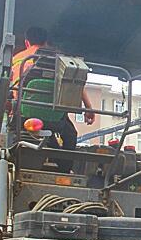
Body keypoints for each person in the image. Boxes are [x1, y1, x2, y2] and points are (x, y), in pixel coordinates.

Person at [10, 26, 95, 170]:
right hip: (55, 112)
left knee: (15, 131)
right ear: (46, 42)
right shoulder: (59, 59)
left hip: (24, 110)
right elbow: (75, 82)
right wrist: (88, 108)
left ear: (27, 42)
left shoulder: (18, 59)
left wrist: (14, 108)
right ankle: (65, 169)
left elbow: (12, 88)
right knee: (70, 134)